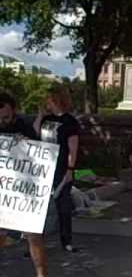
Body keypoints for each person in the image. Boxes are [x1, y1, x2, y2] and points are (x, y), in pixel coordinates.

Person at [0, 89, 58, 277]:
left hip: (24, 193)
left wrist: (25, 143)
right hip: (3, 193)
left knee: (34, 236)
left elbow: (42, 154)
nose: (2, 121)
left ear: (13, 111)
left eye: (5, 116)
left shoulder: (25, 124)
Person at [34, 84, 80, 253]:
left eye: (49, 99)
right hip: (44, 167)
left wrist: (70, 168)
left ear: (56, 100)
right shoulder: (47, 119)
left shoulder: (69, 122)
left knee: (63, 204)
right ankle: (36, 242)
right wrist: (40, 117)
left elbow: (73, 147)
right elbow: (35, 135)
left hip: (61, 167)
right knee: (40, 206)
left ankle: (66, 240)